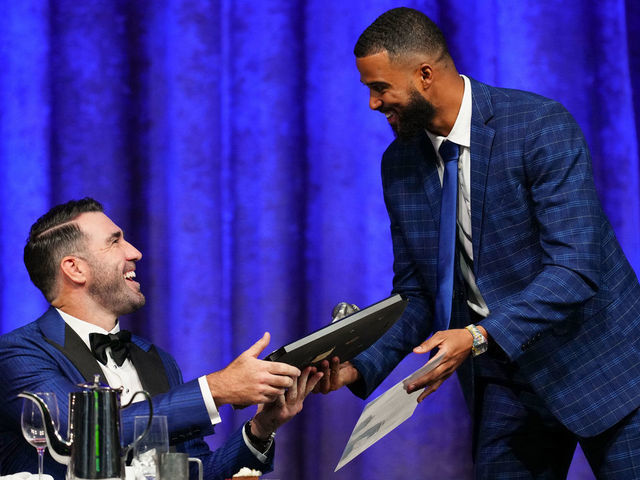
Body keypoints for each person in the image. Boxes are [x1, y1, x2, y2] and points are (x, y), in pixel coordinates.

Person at [315, 7, 640, 479]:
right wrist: (357, 367)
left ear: (425, 75)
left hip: (602, 370)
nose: (372, 103)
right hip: (504, 378)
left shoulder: (537, 126)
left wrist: (477, 335)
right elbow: (419, 292)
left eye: (380, 87)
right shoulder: (400, 164)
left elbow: (576, 267)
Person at [0, 198, 322, 480]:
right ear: (75, 269)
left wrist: (261, 428)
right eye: (115, 242)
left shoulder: (157, 359)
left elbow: (196, 471)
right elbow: (80, 433)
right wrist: (215, 389)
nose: (135, 252)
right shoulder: (18, 354)